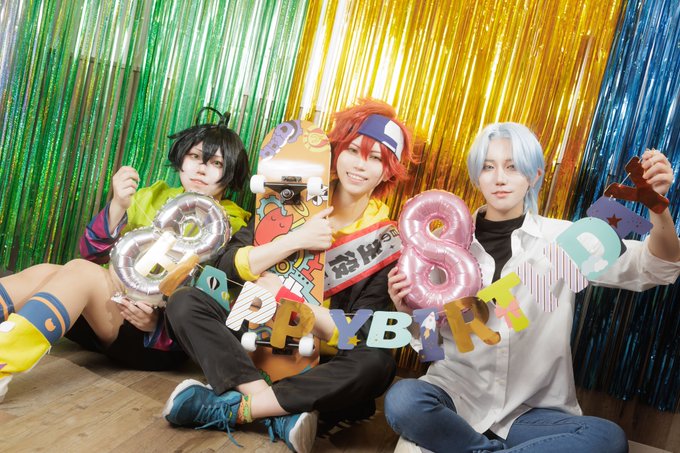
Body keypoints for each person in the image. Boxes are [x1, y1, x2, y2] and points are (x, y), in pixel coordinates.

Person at [384, 122, 680, 453]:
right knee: (403, 399)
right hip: (455, 399)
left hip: (530, 414)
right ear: (476, 176)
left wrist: (657, 206)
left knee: (608, 438)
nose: (499, 178)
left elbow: (657, 267)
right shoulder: (440, 246)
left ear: (535, 175)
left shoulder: (566, 240)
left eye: (513, 167)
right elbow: (431, 349)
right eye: (488, 167)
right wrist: (409, 312)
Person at [161, 99, 414, 453]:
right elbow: (225, 264)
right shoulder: (291, 197)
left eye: (375, 158)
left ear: (388, 171)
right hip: (256, 336)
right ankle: (277, 410)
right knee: (185, 301)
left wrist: (291, 302)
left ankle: (238, 407)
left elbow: (359, 332)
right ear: (336, 153)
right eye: (353, 150)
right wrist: (294, 240)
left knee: (377, 362)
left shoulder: (387, 243)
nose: (360, 164)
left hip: (319, 361)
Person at [0, 108, 251, 402]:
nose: (201, 168)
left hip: (149, 340)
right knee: (47, 272)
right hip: (105, 309)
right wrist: (118, 204)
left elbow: (214, 308)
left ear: (231, 172)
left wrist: (157, 325)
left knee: (81, 272)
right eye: (195, 156)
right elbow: (91, 253)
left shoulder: (232, 225)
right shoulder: (153, 196)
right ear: (181, 158)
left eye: (216, 163)